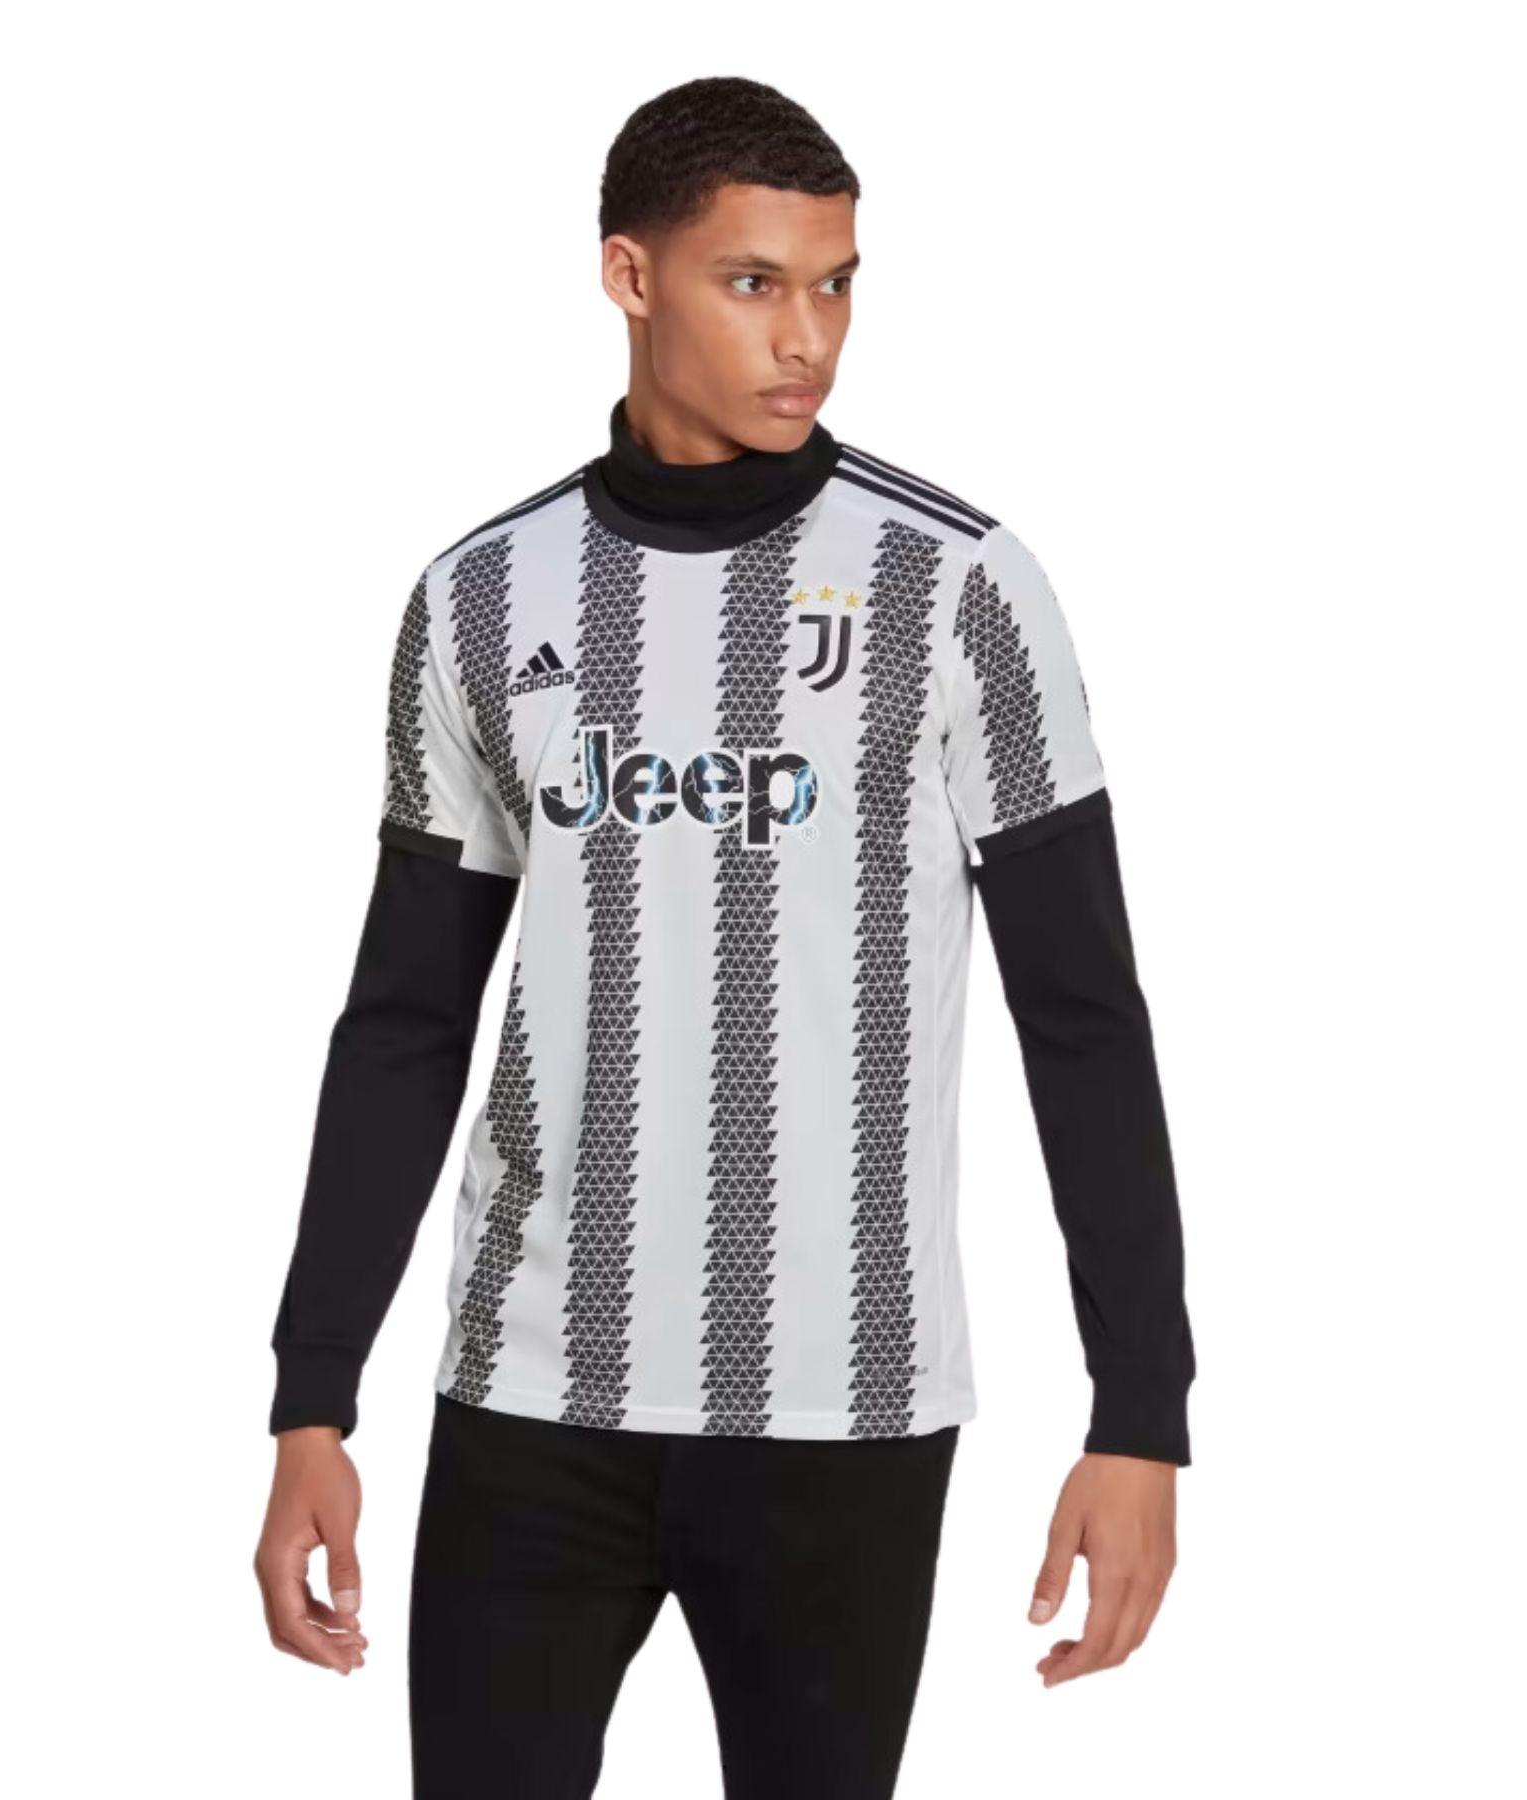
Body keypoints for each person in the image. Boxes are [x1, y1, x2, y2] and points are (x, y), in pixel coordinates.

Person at [254, 74, 1195, 1799]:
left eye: (835, 283)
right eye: (752, 282)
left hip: (846, 1407)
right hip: (531, 1396)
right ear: (629, 275)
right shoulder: (483, 598)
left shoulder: (961, 590)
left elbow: (1084, 1019)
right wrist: (313, 1390)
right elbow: (404, 1020)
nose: (807, 336)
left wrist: (1142, 1413)